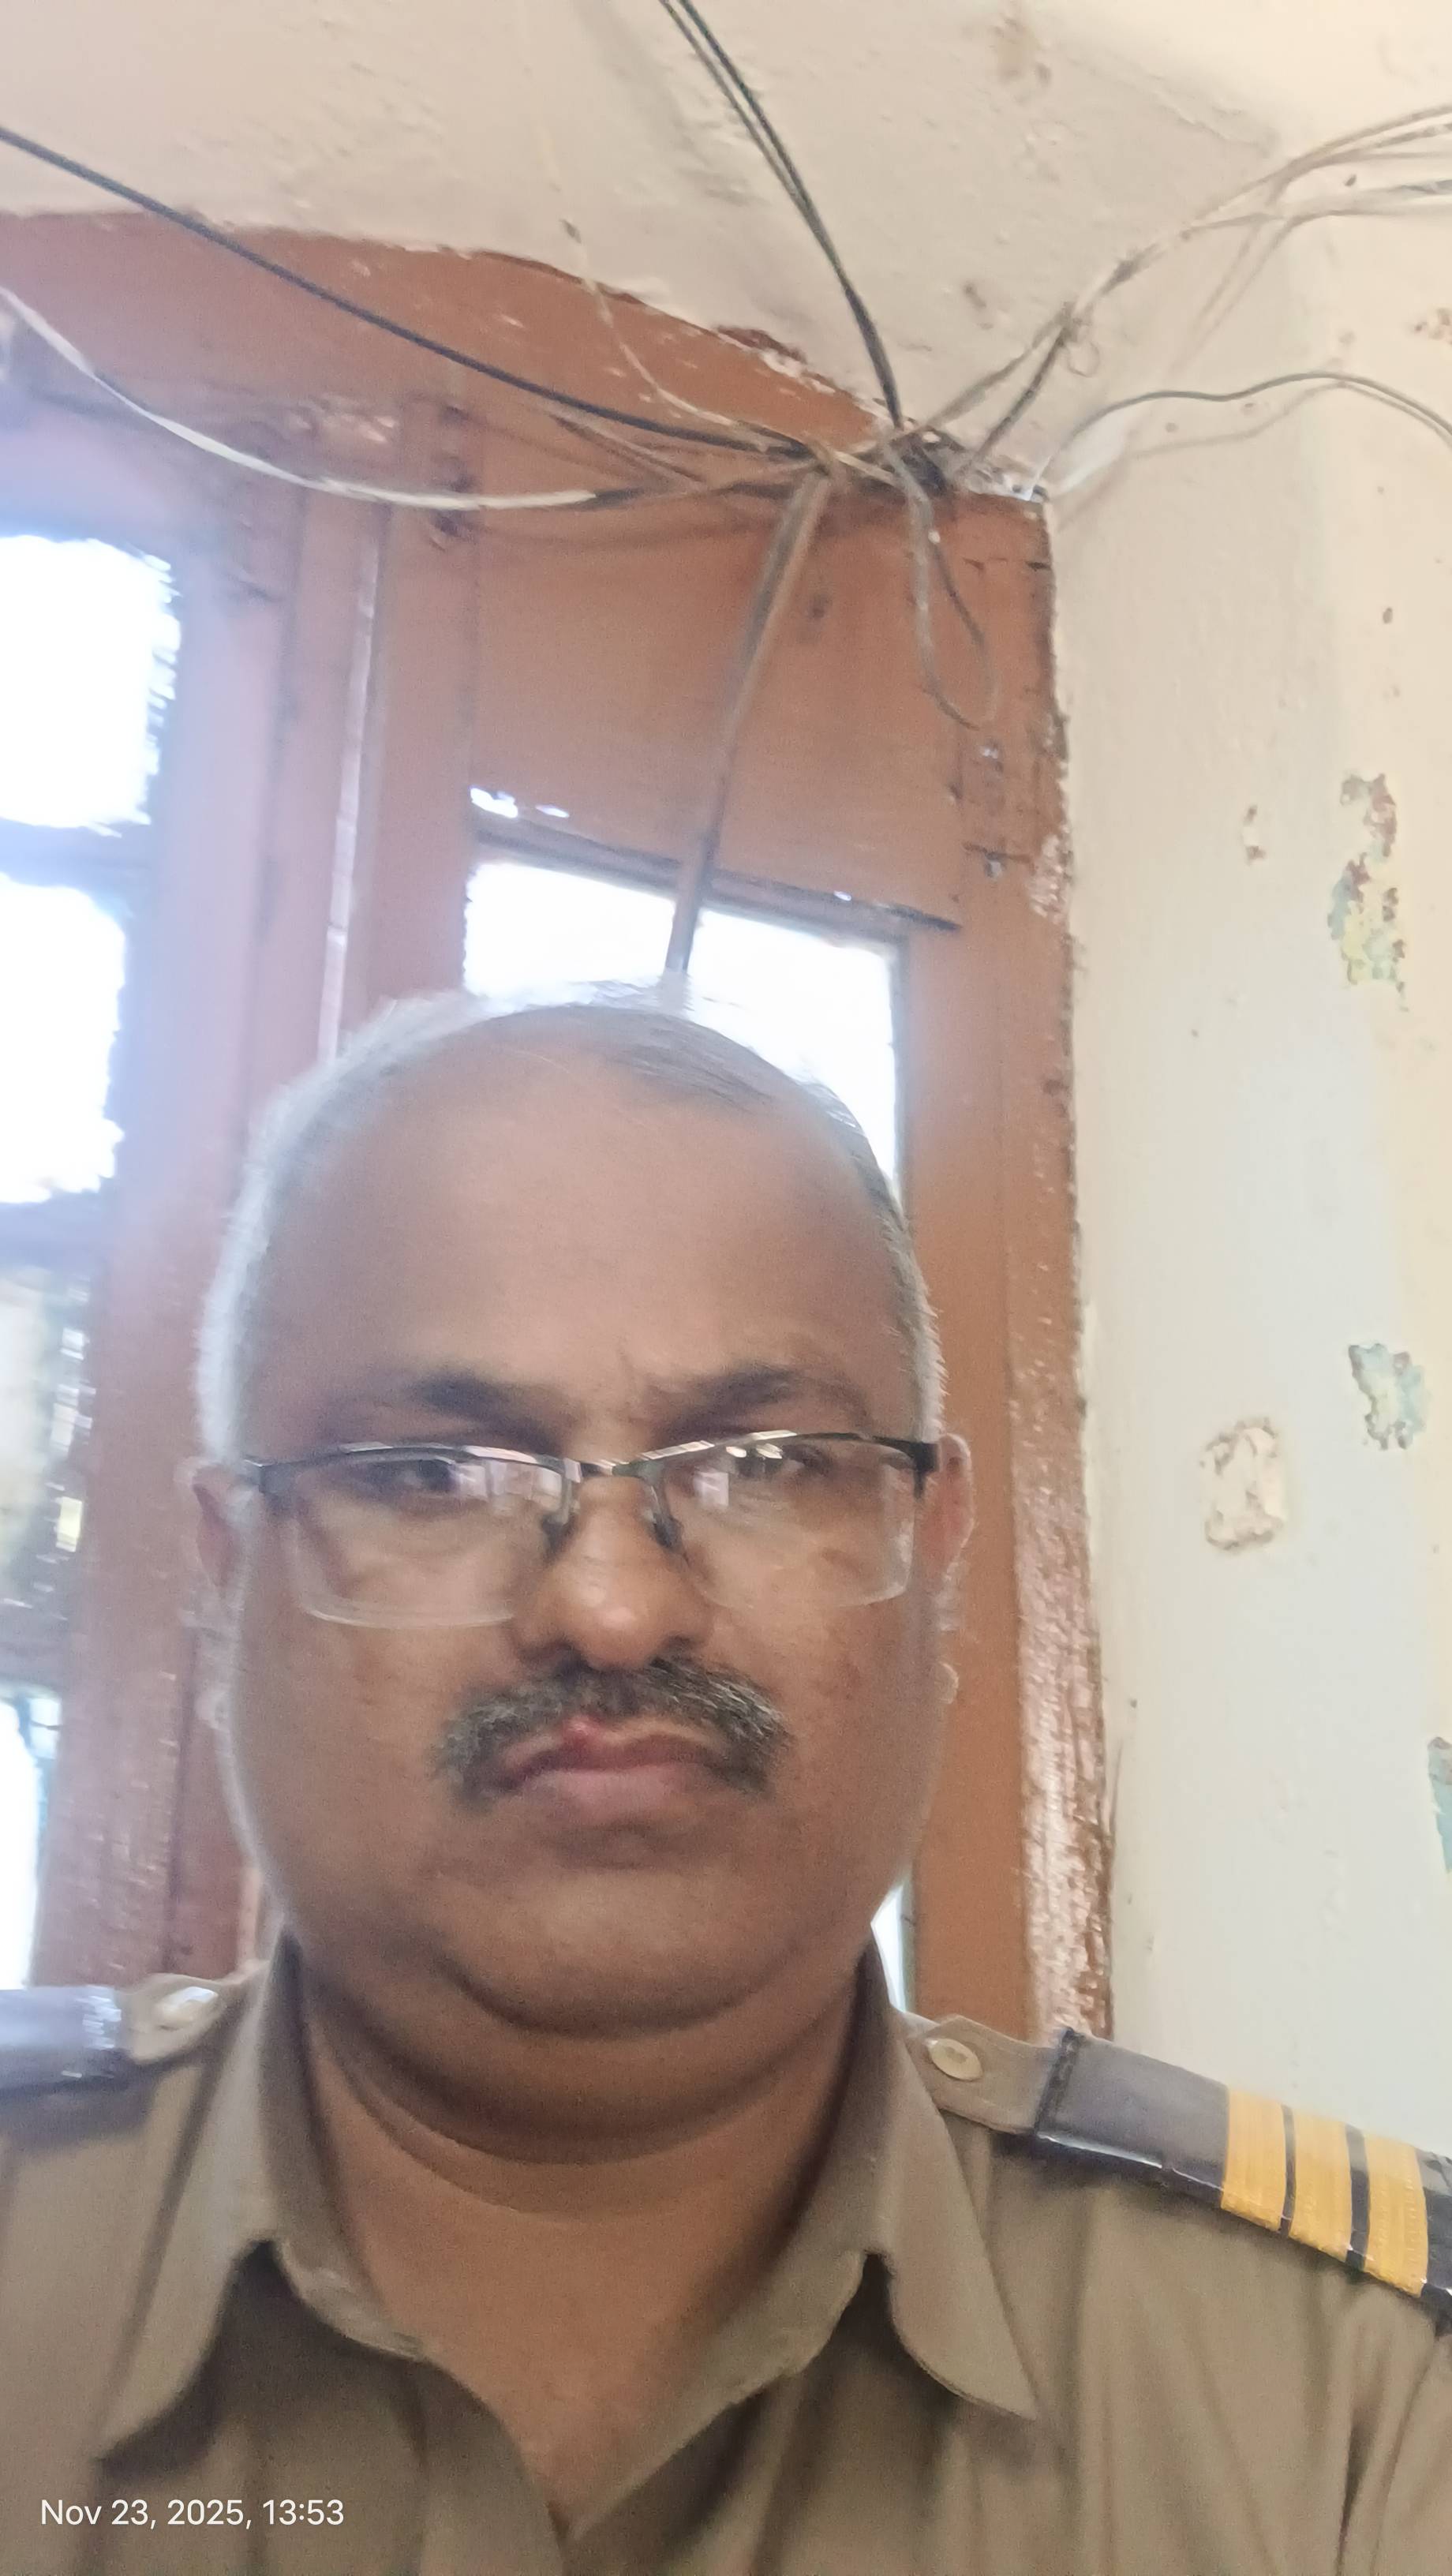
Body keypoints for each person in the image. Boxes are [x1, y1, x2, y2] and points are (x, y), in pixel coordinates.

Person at [2, 991, 1449, 2575]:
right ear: (229, 1575)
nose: (612, 1608)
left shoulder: (1363, 2399)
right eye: (431, 1474)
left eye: (762, 1466)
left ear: (933, 1554)